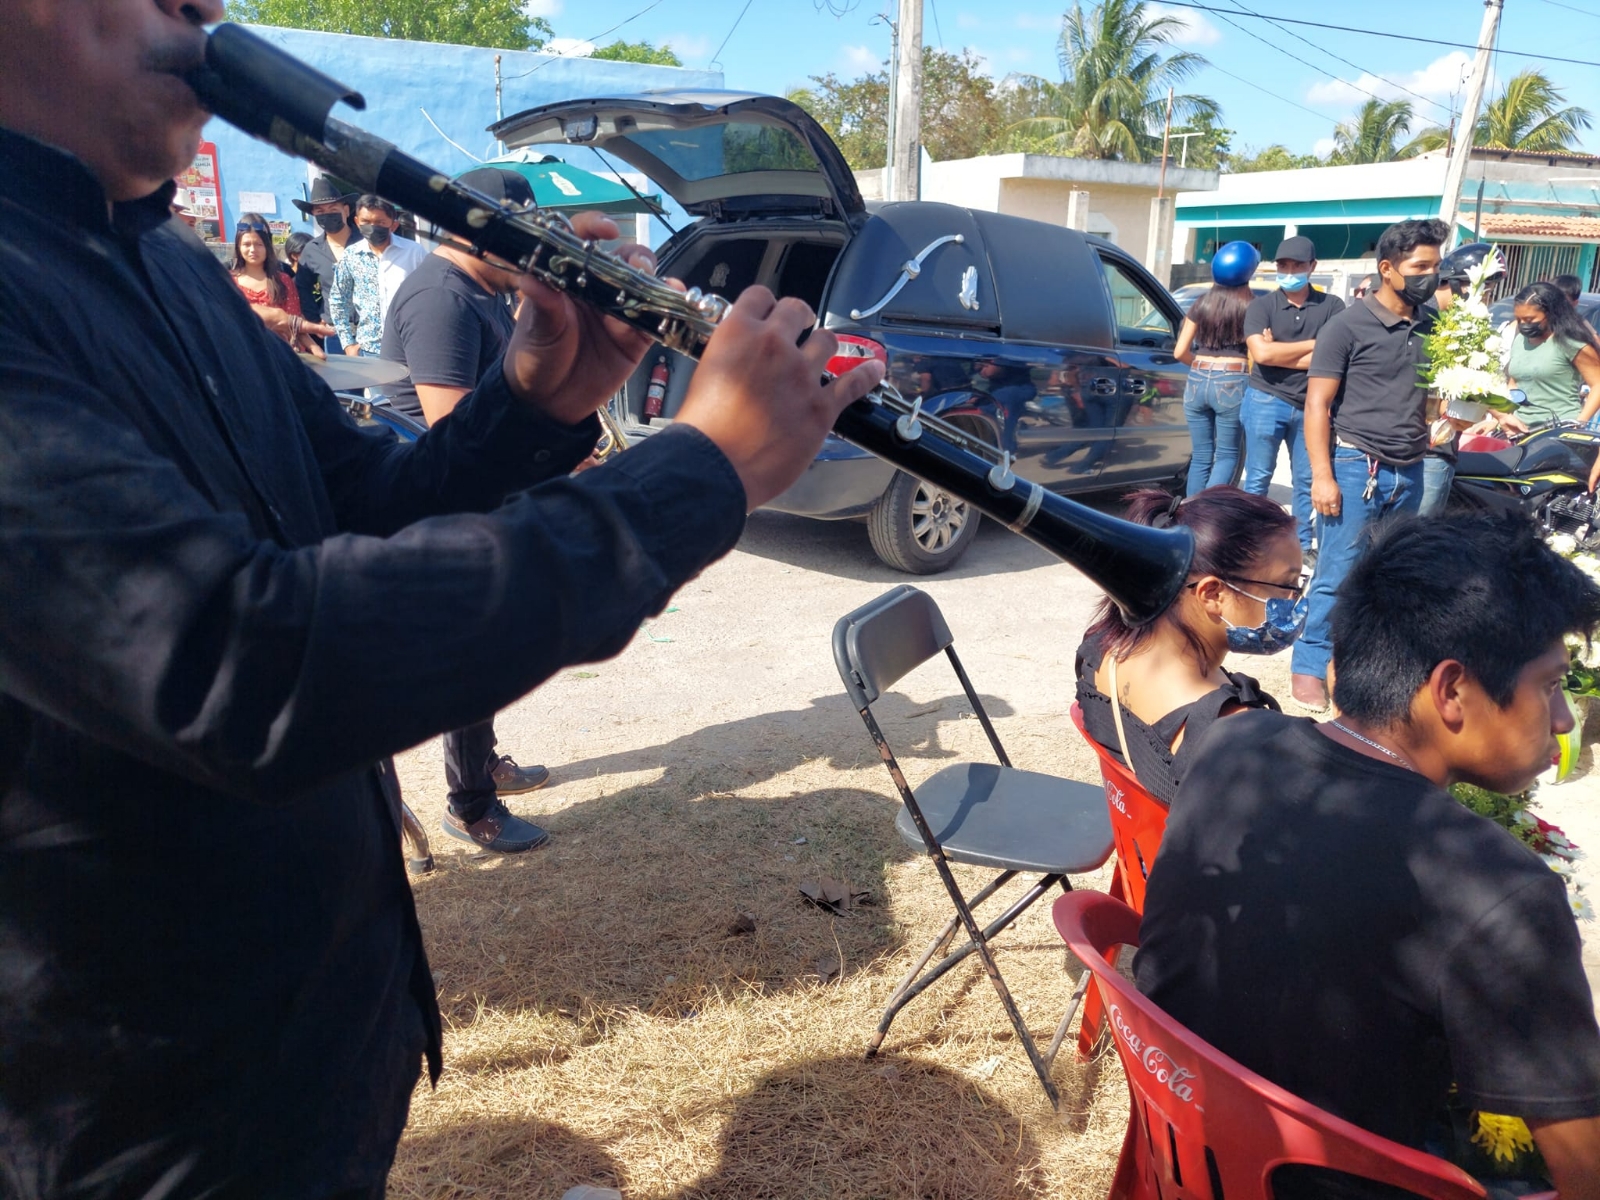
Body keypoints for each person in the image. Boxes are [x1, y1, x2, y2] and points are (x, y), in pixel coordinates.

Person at [0, 3, 887, 1195]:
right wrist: (696, 473)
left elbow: (363, 501)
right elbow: (243, 661)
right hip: (143, 1115)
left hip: (315, 1035)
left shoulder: (164, 263)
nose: (204, 12)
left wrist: (532, 406)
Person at [1136, 514, 1600, 1200]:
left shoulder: (1234, 746)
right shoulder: (1496, 888)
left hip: (1191, 1153)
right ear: (1451, 691)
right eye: (1550, 684)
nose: (1564, 721)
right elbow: (1588, 1175)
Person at [382, 167, 559, 852]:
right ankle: (470, 802)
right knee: (475, 647)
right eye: (519, 235)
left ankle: (484, 761)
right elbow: (449, 430)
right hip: (443, 506)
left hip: (479, 492)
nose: (531, 252)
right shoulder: (441, 299)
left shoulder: (483, 292)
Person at [1290, 217, 1445, 713]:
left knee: (1390, 573)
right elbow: (1317, 405)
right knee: (1338, 569)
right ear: (1387, 268)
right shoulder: (1346, 326)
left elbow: (1432, 399)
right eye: (1420, 266)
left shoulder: (1433, 325)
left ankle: (1365, 664)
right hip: (1358, 466)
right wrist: (1322, 475)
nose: (1430, 275)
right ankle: (1310, 666)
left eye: (1436, 266)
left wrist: (1451, 419)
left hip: (1411, 468)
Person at [1074, 486, 1300, 806]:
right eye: (1288, 584)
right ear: (1212, 594)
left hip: (1141, 847)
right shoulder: (1236, 736)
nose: (1296, 599)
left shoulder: (1100, 648)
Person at [1240, 235, 1345, 559]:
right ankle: (1249, 543)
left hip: (1313, 406)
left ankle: (1301, 544)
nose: (1289, 271)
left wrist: (1277, 352)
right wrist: (1317, 344)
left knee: (1307, 479)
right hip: (1264, 400)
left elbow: (1336, 356)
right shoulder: (1261, 305)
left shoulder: (1333, 306)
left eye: (1297, 265)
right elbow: (1261, 353)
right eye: (1283, 265)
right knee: (1257, 477)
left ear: (1312, 267)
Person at [1174, 243, 1258, 494]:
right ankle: (1209, 514)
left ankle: (1190, 517)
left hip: (1197, 377)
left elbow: (1179, 352)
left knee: (1201, 455)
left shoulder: (1201, 303)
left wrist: (1202, 367)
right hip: (1234, 378)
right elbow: (1255, 356)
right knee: (1227, 455)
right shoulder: (1253, 305)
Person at [328, 193, 427, 357]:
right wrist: (348, 344)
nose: (372, 227)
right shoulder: (351, 255)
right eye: (366, 222)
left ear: (393, 225)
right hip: (370, 349)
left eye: (380, 223)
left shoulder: (414, 253)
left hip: (411, 345)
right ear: (357, 222)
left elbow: (430, 296)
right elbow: (338, 300)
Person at [1505, 280, 1600, 427]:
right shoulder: (1520, 340)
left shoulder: (1571, 342)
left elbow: (1597, 384)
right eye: (1519, 319)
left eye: (1529, 319)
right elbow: (1514, 384)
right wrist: (1501, 418)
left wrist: (1579, 423)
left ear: (1550, 313)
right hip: (1518, 428)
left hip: (1558, 429)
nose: (1523, 325)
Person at [292, 174, 359, 342]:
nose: (327, 216)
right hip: (334, 332)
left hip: (372, 330)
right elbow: (302, 286)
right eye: (320, 212)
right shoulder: (311, 250)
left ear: (346, 210)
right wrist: (314, 319)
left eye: (333, 210)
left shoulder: (366, 243)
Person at [229, 211, 299, 315]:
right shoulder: (229, 282)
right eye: (246, 244)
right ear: (238, 247)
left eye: (259, 244)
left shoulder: (283, 281)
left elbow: (293, 321)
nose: (253, 249)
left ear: (268, 246)